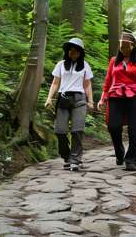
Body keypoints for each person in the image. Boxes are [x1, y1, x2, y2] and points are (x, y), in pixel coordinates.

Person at [97, 32, 136, 171]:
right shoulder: (114, 61)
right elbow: (108, 80)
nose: (124, 49)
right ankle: (119, 151)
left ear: (133, 46)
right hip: (116, 95)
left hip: (134, 97)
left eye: (127, 46)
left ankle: (131, 160)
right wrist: (103, 98)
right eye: (122, 46)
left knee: (134, 129)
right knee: (113, 126)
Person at [45, 37, 94, 171]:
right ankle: (66, 156)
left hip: (79, 99)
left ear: (80, 53)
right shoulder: (60, 64)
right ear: (67, 51)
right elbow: (55, 82)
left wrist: (90, 101)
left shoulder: (85, 65)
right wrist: (49, 98)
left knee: (77, 130)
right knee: (60, 131)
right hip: (63, 99)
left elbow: (87, 84)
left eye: (76, 51)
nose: (73, 53)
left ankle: (75, 159)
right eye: (71, 51)